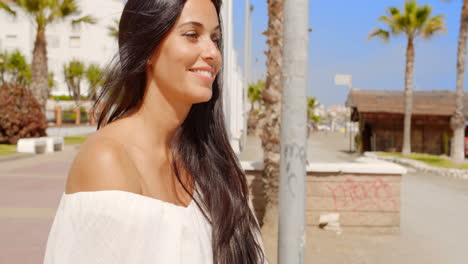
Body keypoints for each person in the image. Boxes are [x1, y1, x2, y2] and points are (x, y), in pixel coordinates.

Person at [43, 0, 266, 263]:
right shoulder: (108, 160)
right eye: (192, 35)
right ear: (147, 47)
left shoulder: (216, 164)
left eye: (215, 38)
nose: (212, 53)